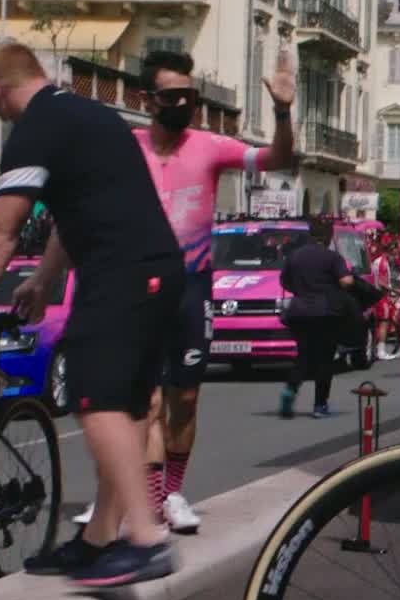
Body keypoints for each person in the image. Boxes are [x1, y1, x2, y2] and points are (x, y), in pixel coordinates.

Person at [0, 42, 184, 586]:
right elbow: (77, 210)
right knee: (129, 403)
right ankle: (99, 539)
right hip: (157, 268)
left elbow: (0, 230)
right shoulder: (91, 115)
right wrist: (44, 279)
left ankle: (146, 538)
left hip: (120, 272)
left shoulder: (35, 129)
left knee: (95, 396)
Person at [70, 49, 295, 535]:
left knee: (185, 398)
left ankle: (171, 492)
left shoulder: (210, 146)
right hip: (138, 285)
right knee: (141, 399)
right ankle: (126, 499)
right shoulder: (125, 147)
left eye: (190, 96)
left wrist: (281, 113)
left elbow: (278, 159)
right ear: (147, 99)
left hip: (192, 286)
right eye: (172, 96)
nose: (183, 105)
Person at [277, 216, 354, 419]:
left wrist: (301, 290)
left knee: (303, 355)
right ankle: (320, 406)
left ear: (310, 234)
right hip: (324, 312)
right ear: (329, 236)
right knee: (324, 359)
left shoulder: (294, 256)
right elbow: (346, 281)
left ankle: (290, 389)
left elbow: (284, 282)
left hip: (299, 311)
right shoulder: (332, 257)